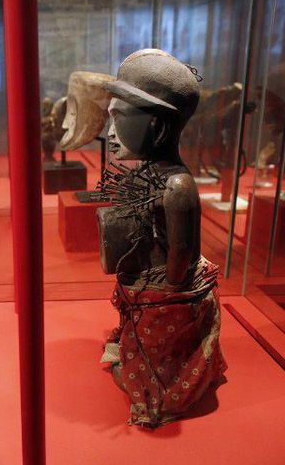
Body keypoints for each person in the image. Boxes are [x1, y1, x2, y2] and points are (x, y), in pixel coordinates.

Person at [96, 49, 226, 427]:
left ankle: (163, 387)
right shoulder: (148, 175)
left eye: (119, 119)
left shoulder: (178, 185)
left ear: (156, 125)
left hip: (169, 294)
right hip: (149, 283)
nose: (110, 134)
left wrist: (162, 292)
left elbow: (182, 255)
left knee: (152, 344)